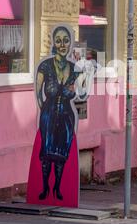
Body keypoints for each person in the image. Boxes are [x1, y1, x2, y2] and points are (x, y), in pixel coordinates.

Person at [35, 25, 93, 201]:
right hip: (48, 114)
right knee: (46, 154)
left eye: (66, 41)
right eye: (58, 40)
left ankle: (57, 189)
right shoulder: (45, 66)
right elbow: (38, 93)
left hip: (67, 116)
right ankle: (45, 188)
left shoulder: (75, 68)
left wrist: (87, 76)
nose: (62, 44)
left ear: (70, 44)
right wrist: (43, 111)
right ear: (54, 42)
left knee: (61, 155)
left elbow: (83, 93)